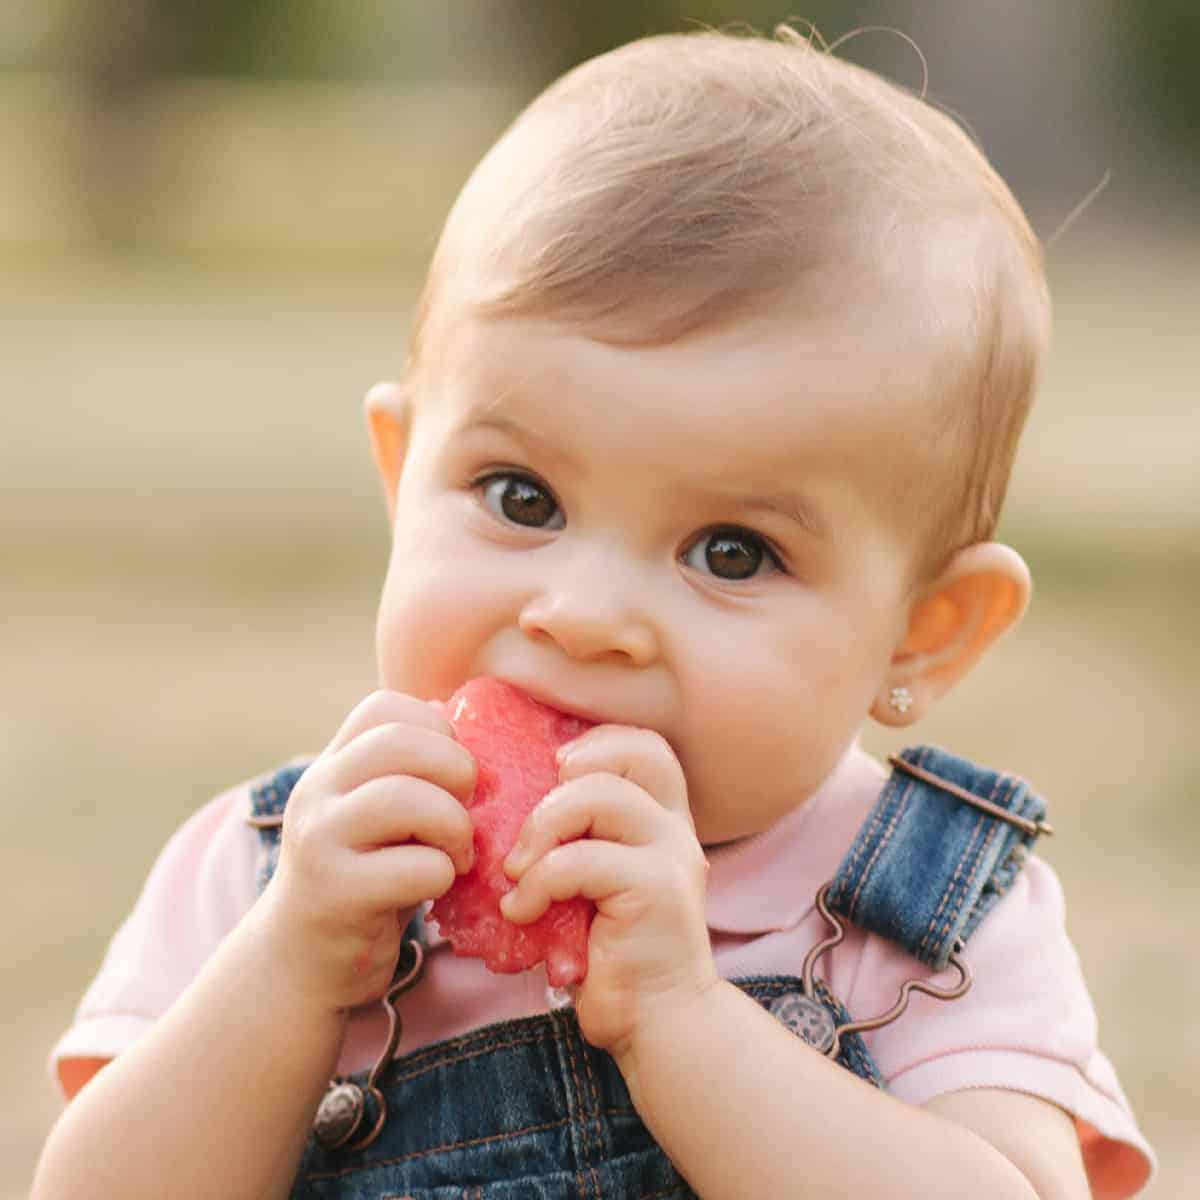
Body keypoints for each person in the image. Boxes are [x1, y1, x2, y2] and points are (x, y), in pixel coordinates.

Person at [33, 26, 1153, 1200]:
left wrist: (681, 1019)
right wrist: (288, 971)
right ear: (400, 478)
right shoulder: (271, 870)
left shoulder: (922, 924)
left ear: (924, 630)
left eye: (733, 551)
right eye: (522, 498)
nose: (584, 617)